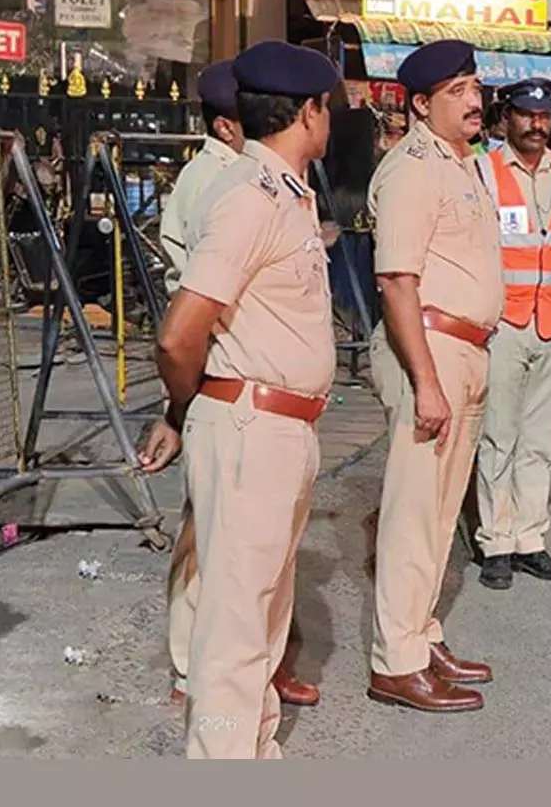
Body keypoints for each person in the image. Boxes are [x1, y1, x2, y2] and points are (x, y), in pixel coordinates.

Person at [140, 39, 341, 759]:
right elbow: (178, 335)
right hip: (250, 425)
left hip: (281, 427)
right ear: (309, 112)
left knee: (261, 615)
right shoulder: (251, 201)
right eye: (328, 108)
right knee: (232, 631)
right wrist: (186, 408)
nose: (331, 121)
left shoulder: (285, 192)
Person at [365, 40, 500, 713]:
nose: (474, 100)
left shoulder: (464, 164)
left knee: (443, 513)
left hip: (466, 349)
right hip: (432, 350)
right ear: (420, 105)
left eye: (474, 86)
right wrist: (424, 380)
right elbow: (396, 279)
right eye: (457, 91)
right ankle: (395, 659)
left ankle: (420, 633)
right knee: (415, 511)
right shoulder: (413, 168)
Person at [472, 77, 551, 591]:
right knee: (499, 436)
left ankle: (530, 539)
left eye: (544, 116)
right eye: (526, 114)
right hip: (503, 323)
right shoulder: (485, 172)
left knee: (539, 440)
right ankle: (495, 541)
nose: (536, 124)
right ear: (507, 117)